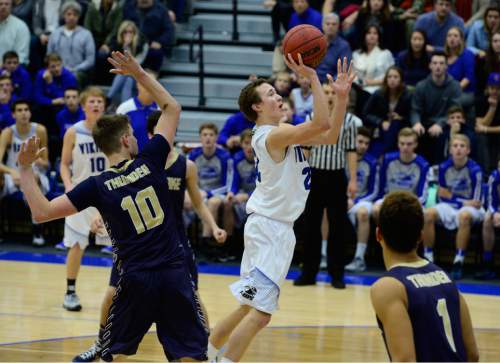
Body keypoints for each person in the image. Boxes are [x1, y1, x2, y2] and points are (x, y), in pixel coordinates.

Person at [19, 50, 209, 361]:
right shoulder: (151, 161)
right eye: (132, 135)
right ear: (124, 141)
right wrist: (139, 74)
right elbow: (172, 107)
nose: (136, 138)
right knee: (189, 354)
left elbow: (41, 213)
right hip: (174, 273)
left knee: (115, 354)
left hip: (135, 280)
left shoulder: (96, 185)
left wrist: (26, 170)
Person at [207, 55, 354, 362]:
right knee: (261, 314)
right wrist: (313, 78)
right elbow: (322, 123)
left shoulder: (281, 132)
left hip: (268, 226)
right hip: (270, 230)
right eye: (270, 94)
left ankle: (201, 353)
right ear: (257, 107)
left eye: (276, 92)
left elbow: (330, 135)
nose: (278, 96)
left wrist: (340, 98)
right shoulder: (274, 135)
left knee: (247, 306)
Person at [72, 109, 227, 362]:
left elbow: (198, 202)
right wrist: (102, 214)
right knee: (112, 293)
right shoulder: (140, 165)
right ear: (151, 135)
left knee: (193, 298)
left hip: (172, 244)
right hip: (137, 247)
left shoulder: (183, 166)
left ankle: (204, 349)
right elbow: (117, 197)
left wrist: (213, 225)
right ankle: (101, 343)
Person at [370, 191, 479, 362]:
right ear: (421, 236)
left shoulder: (388, 287)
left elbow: (405, 360)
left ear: (378, 234)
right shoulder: (446, 279)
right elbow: (472, 355)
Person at [294, 80, 359, 288]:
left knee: (337, 226)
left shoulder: (350, 121)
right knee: (310, 226)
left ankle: (336, 273)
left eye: (333, 92)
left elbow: (351, 151)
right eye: (327, 92)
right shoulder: (312, 118)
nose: (330, 95)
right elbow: (305, 149)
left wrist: (354, 180)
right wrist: (299, 176)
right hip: (314, 175)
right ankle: (309, 272)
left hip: (337, 177)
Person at [59, 86, 111, 312]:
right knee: (77, 244)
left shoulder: (111, 131)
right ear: (83, 106)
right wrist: (69, 185)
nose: (96, 105)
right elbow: (63, 164)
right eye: (92, 101)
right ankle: (70, 291)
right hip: (80, 194)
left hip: (107, 193)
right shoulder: (73, 132)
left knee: (118, 247)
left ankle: (121, 294)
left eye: (100, 101)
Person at [422, 134, 484, 280]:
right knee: (428, 214)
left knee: (464, 216)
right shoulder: (442, 168)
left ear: (468, 150)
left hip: (473, 209)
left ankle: (458, 261)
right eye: (455, 146)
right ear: (450, 150)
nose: (458, 149)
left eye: (462, 146)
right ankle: (428, 259)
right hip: (452, 205)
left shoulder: (476, 170)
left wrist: (454, 197)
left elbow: (477, 201)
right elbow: (442, 196)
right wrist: (461, 201)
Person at [0, 99, 49, 245]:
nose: (24, 113)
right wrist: (12, 172)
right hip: (13, 175)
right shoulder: (8, 133)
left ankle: (37, 230)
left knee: (33, 179)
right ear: (13, 114)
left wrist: (35, 159)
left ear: (30, 113)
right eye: (20, 110)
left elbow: (46, 163)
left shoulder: (40, 130)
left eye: (26, 110)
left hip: (35, 174)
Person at [188, 123, 232, 255]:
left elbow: (227, 185)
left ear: (216, 138)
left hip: (218, 192)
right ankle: (196, 244)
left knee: (213, 202)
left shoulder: (225, 156)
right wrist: (196, 192)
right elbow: (188, 179)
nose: (208, 138)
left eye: (211, 135)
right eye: (205, 135)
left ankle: (206, 243)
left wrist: (207, 193)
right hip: (198, 191)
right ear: (200, 138)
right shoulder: (193, 155)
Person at [410, 51, 462, 165]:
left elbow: (455, 110)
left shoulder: (455, 86)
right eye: (435, 63)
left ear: (446, 66)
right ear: (430, 66)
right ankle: (420, 167)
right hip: (425, 122)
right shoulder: (421, 86)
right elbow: (415, 109)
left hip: (446, 124)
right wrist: (416, 123)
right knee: (415, 133)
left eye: (441, 63)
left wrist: (440, 124)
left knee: (443, 137)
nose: (438, 66)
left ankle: (439, 168)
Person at [372, 127, 430, 221]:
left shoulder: (423, 164)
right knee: (375, 210)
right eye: (402, 143)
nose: (405, 147)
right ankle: (385, 235)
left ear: (415, 144)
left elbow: (423, 195)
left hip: (412, 201)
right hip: (389, 198)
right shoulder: (387, 159)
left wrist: (409, 203)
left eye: (409, 144)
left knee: (425, 215)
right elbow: (379, 185)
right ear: (398, 144)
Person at [345, 127, 378, 272]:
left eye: (366, 143)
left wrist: (355, 201)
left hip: (364, 199)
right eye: (360, 141)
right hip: (343, 198)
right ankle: (324, 255)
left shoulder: (372, 162)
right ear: (352, 141)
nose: (363, 145)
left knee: (363, 213)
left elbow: (374, 191)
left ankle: (359, 258)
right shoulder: (342, 158)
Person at [363, 66, 412, 158]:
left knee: (395, 124)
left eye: (395, 77)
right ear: (386, 79)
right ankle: (386, 156)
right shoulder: (378, 94)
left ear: (401, 79)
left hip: (399, 127)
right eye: (389, 77)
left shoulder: (407, 95)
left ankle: (387, 156)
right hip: (380, 127)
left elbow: (410, 115)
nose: (392, 80)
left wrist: (401, 118)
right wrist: (381, 122)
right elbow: (366, 113)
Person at [47, 1, 95, 85]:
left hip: (77, 71)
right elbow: (49, 55)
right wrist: (56, 68)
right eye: (69, 14)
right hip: (57, 69)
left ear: (79, 17)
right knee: (42, 75)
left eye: (75, 15)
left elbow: (90, 60)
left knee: (72, 77)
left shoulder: (86, 34)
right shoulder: (55, 34)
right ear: (63, 15)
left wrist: (75, 69)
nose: (72, 17)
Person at [116, 69, 159, 151]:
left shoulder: (162, 109)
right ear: (137, 84)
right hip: (132, 161)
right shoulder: (124, 109)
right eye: (144, 81)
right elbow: (118, 140)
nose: (148, 85)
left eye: (152, 82)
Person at [475, 161, 500, 280]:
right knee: (487, 219)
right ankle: (487, 263)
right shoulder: (494, 176)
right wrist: (495, 212)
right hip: (498, 210)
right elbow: (491, 200)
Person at [315, 12, 352, 83]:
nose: (330, 26)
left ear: (338, 26)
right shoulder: (314, 43)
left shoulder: (344, 46)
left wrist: (330, 83)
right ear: (322, 25)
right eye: (327, 24)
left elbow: (344, 72)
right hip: (312, 81)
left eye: (334, 24)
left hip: (332, 85)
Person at [475, 72, 500, 175]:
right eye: (492, 88)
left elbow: (483, 127)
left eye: (498, 88)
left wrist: (486, 129)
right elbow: (479, 124)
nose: (494, 91)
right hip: (486, 135)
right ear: (487, 88)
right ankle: (486, 174)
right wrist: (492, 108)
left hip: (496, 133)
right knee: (480, 137)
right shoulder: (481, 100)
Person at [0, 0, 30, 65]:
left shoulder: (21, 26)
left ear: (11, 6)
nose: (3, 7)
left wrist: (3, 67)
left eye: (6, 4)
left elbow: (22, 57)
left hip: (12, 68)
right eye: (0, 4)